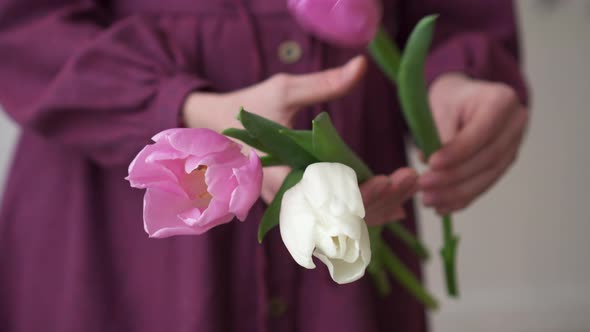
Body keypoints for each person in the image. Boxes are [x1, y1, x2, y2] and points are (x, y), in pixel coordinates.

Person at [0, 0, 528, 331]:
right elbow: (21, 24)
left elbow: (457, 17)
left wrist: (452, 78)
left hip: (353, 240)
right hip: (110, 239)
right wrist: (193, 113)